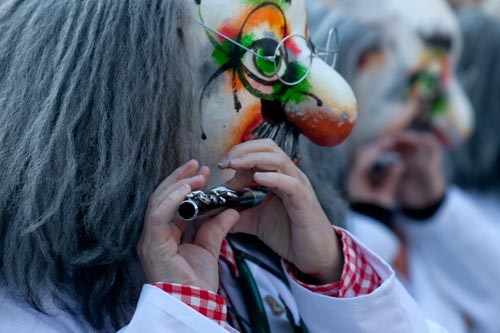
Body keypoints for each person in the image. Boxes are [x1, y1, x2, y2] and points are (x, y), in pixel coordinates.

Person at [0, 1, 446, 332]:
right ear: (125, 90)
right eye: (267, 58)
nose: (335, 112)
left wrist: (329, 273)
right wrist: (183, 314)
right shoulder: (24, 311)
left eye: (307, 52)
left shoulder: (260, 260)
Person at [306, 0, 500, 332]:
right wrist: (368, 228)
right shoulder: (292, 229)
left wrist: (434, 211)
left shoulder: (411, 204)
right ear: (358, 68)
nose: (459, 123)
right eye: (427, 85)